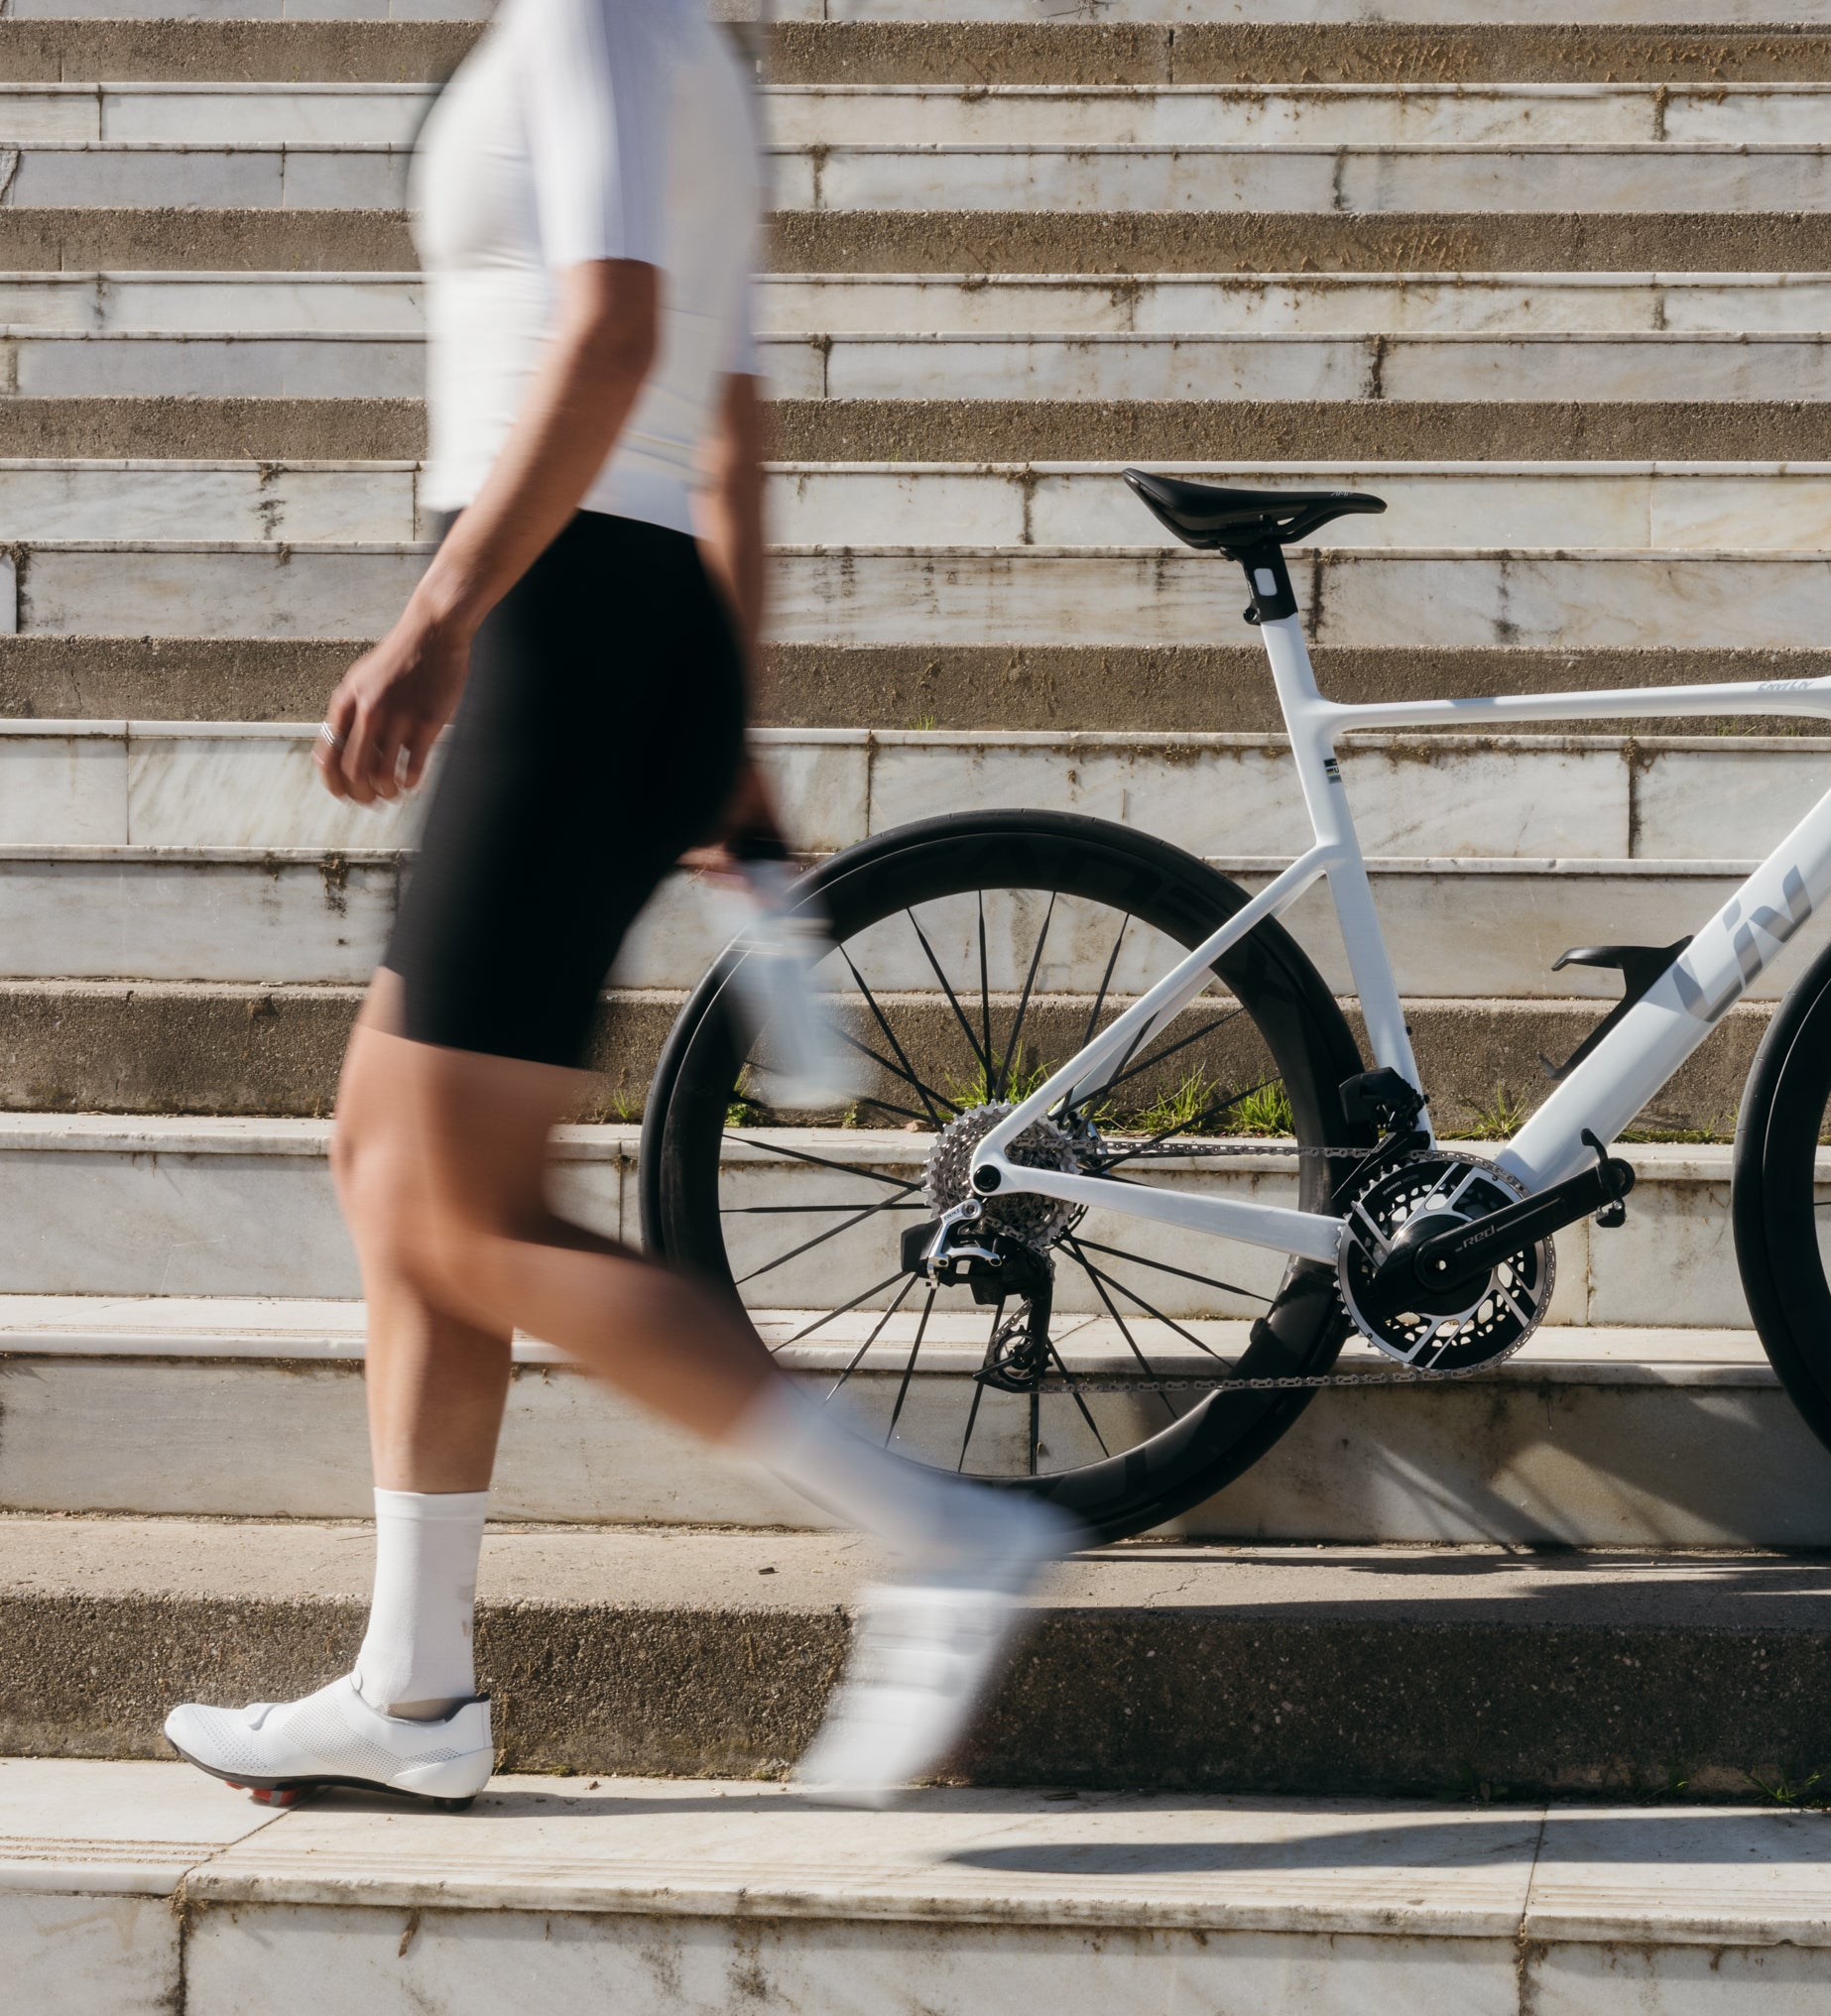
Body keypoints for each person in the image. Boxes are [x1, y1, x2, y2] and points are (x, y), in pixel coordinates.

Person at [158, 0, 1072, 1812]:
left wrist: (439, 615)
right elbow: (729, 426)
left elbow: (618, 332)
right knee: (392, 1158)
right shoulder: (693, 49)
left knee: (457, 1205)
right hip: (634, 626)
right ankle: (413, 1686)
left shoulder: (594, 13)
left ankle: (941, 1526)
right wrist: (726, 733)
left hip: (562, 621)